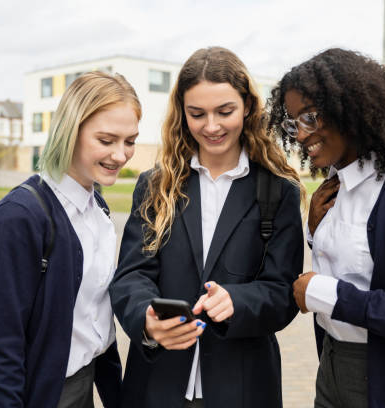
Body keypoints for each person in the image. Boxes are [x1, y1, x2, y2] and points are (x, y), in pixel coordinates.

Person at [110, 46, 304, 408]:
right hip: (157, 386)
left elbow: (282, 292)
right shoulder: (156, 185)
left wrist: (238, 301)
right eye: (197, 114)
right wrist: (146, 320)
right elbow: (130, 276)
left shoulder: (280, 191)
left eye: (224, 111)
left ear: (247, 106)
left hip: (243, 389)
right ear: (182, 114)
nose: (211, 126)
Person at [267, 48, 385, 408]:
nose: (302, 134)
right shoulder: (333, 185)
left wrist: (328, 295)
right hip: (332, 365)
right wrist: (314, 233)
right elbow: (358, 263)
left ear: (349, 107)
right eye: (294, 122)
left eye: (311, 116)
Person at [0, 71, 141, 408]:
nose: (121, 155)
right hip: (44, 393)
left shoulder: (99, 209)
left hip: (89, 382)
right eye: (106, 141)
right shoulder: (18, 218)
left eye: (130, 141)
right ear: (70, 131)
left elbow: (96, 321)